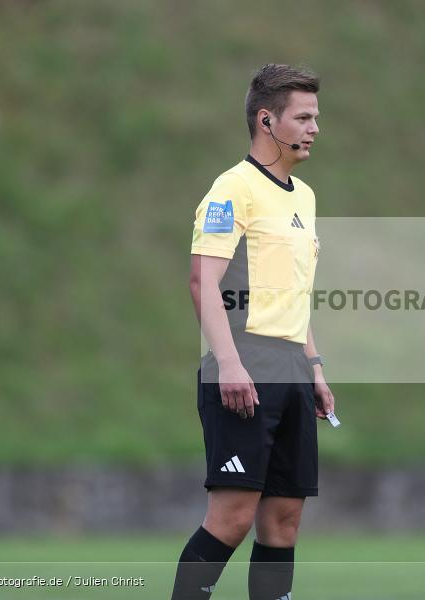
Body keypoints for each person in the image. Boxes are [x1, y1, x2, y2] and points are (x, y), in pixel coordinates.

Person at [171, 64, 335, 600]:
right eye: (303, 117)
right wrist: (231, 363)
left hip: (289, 367)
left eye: (316, 117)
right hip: (241, 366)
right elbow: (203, 281)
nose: (314, 128)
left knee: (284, 520)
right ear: (267, 120)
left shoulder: (303, 196)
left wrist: (313, 366)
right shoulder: (232, 189)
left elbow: (292, 294)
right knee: (232, 518)